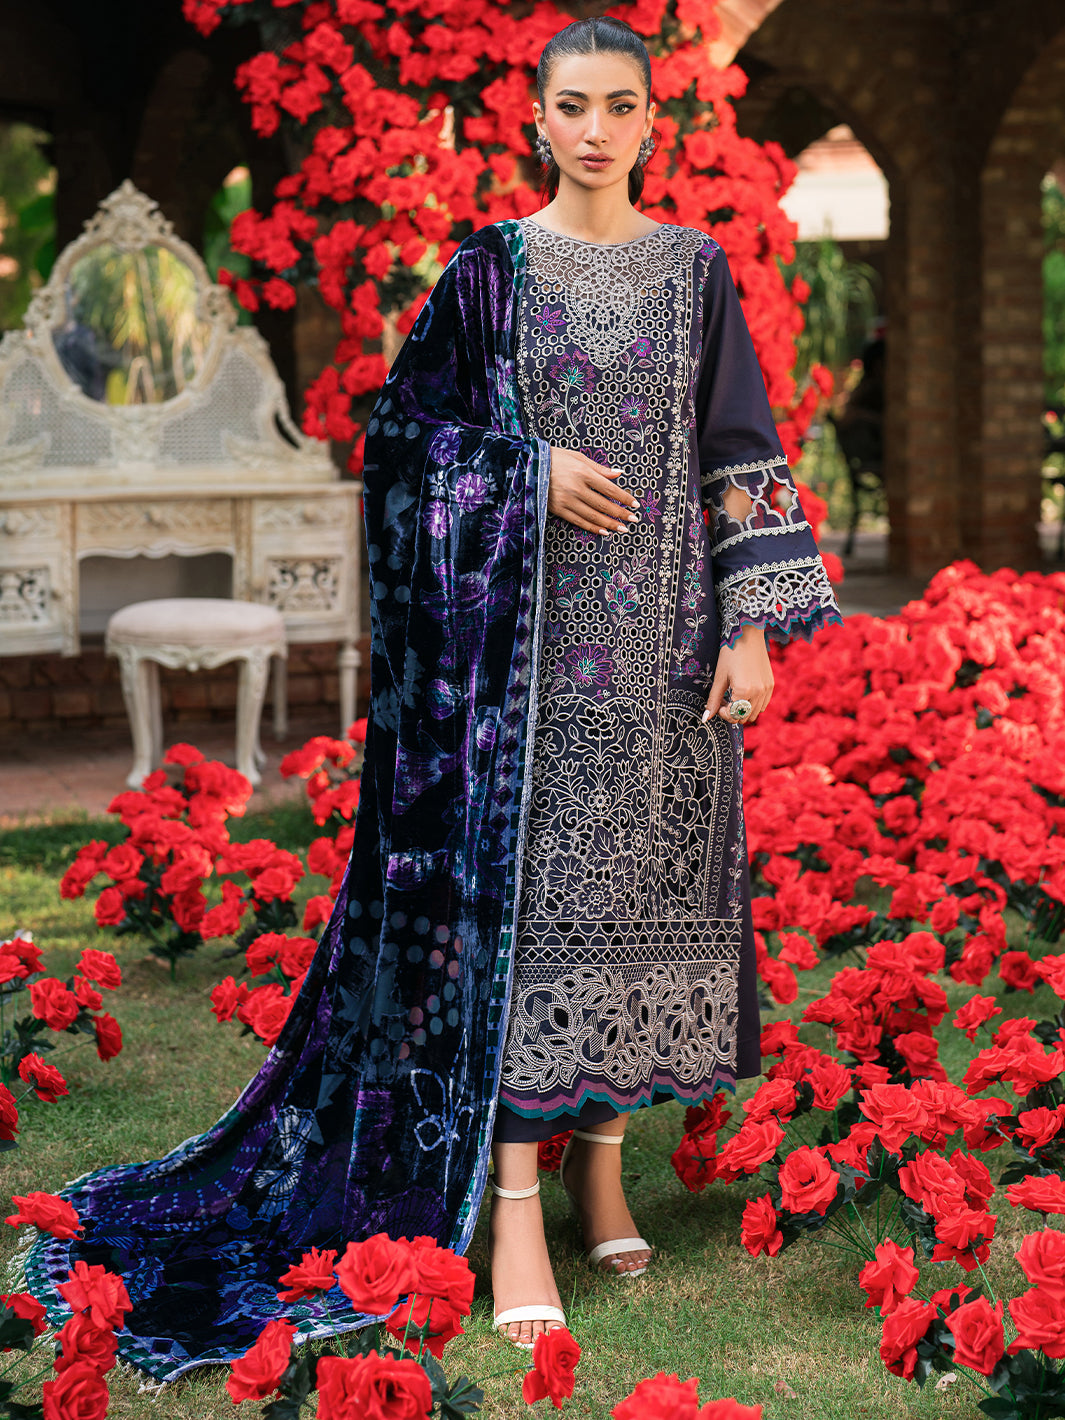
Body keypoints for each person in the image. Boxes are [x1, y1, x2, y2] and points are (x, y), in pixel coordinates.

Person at [20, 15, 841, 1383]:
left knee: (638, 908)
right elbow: (401, 438)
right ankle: (514, 1208)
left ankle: (599, 1174)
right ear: (536, 119)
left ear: (654, 122)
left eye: (620, 106)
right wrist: (527, 471)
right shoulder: (489, 273)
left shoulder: (695, 273)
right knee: (530, 925)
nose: (595, 129)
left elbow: (740, 451)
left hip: (668, 658)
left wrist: (751, 631)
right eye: (572, 106)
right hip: (521, 673)